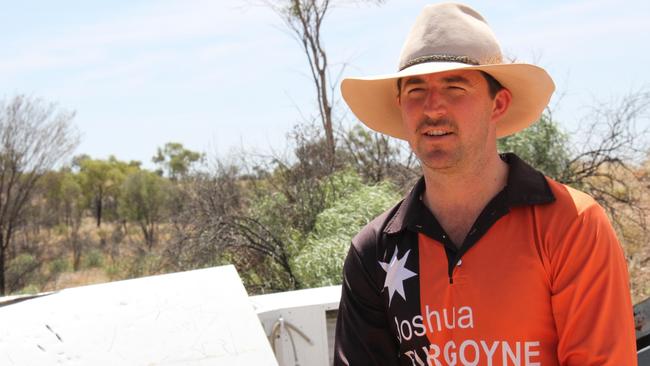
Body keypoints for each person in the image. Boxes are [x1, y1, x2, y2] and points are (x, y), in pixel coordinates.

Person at [333, 3, 637, 365]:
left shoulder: (571, 223)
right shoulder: (376, 251)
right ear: (400, 105)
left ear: (499, 104)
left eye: (455, 87)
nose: (432, 108)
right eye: (415, 90)